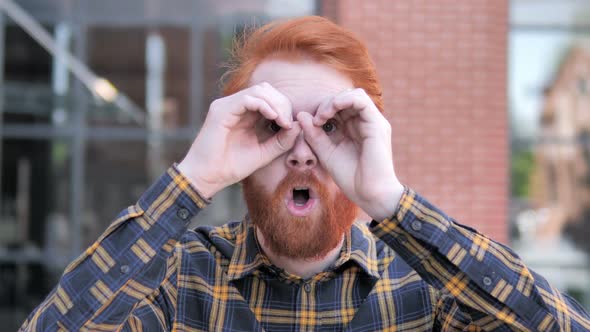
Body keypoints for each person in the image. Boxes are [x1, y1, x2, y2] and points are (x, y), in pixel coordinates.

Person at [20, 16, 590, 331]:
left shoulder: (430, 291)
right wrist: (193, 179)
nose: (301, 154)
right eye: (273, 127)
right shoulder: (175, 281)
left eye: (330, 127)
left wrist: (391, 200)